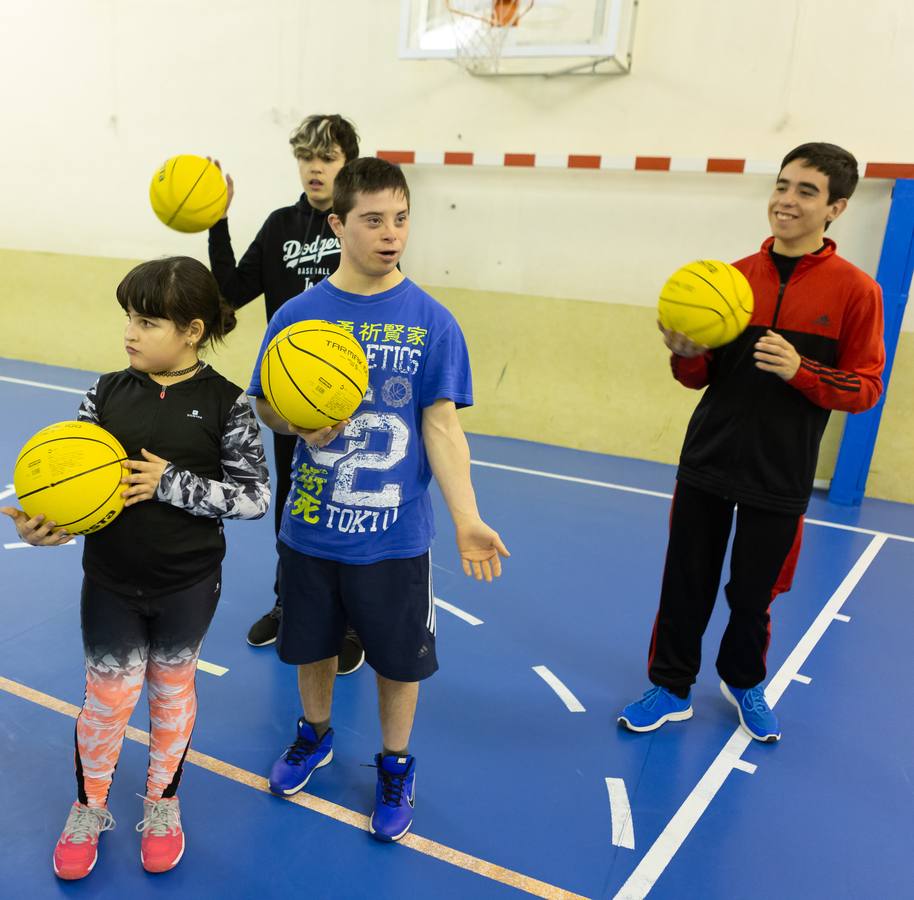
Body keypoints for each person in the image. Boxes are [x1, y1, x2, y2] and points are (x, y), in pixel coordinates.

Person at [249, 157, 509, 841]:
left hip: (394, 537)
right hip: (309, 528)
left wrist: (467, 516)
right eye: (373, 219)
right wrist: (295, 421)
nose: (391, 233)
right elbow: (266, 406)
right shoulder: (300, 318)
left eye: (400, 219)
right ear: (337, 224)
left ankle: (395, 764)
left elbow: (442, 425)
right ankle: (315, 735)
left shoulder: (432, 321)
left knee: (398, 658)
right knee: (312, 646)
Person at [2, 257, 271, 879]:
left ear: (192, 330)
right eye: (128, 317)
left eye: (147, 321)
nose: (130, 332)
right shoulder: (105, 393)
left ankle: (162, 802)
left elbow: (255, 497)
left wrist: (172, 484)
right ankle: (89, 805)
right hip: (112, 581)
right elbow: (68, 488)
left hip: (188, 582)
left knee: (171, 692)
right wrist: (48, 526)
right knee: (107, 697)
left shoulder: (227, 405)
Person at [618, 142, 885, 743]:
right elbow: (700, 377)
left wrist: (801, 371)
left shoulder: (856, 293)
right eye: (783, 185)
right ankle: (671, 686)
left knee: (752, 592)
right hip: (708, 459)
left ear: (836, 208)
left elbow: (866, 388)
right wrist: (683, 354)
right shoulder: (731, 280)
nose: (786, 201)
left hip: (781, 470)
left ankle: (744, 682)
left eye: (806, 191)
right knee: (685, 580)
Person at [209, 113, 365, 669]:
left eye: (326, 158)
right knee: (295, 504)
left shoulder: (359, 227)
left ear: (346, 162)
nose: (314, 168)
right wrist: (217, 221)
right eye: (305, 157)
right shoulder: (280, 226)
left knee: (342, 506)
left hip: (349, 398)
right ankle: (290, 603)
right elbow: (229, 294)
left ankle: (347, 621)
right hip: (289, 397)